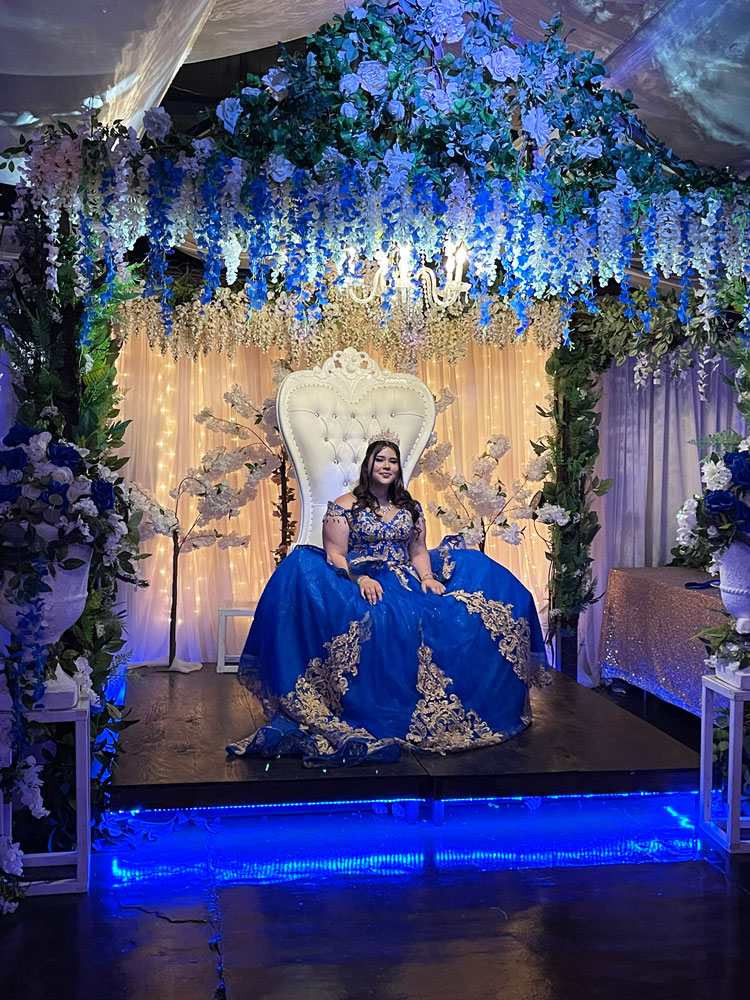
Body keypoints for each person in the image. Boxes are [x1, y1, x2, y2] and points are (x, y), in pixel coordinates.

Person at [227, 437, 549, 766]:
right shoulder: (344, 505)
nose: (386, 466)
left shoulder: (409, 508)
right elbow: (335, 554)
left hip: (407, 577)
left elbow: (419, 551)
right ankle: (366, 704)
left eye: (392, 461)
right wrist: (360, 578)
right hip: (361, 578)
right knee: (348, 597)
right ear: (368, 465)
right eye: (380, 459)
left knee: (471, 597)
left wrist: (427, 579)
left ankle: (470, 702)